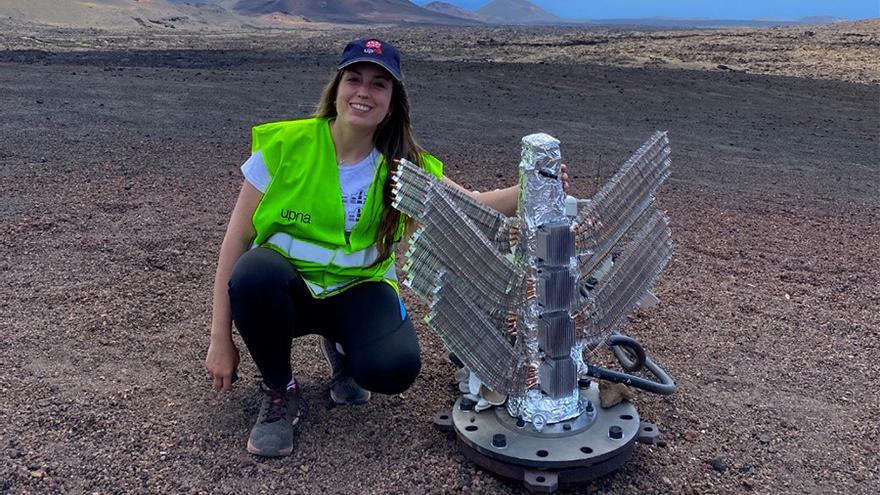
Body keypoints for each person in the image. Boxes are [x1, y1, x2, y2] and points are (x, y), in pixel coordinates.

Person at [204, 38, 568, 457]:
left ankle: (344, 352)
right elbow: (237, 239)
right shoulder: (285, 147)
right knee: (253, 273)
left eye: (379, 84)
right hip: (288, 294)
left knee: (395, 368)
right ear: (336, 89)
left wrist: (534, 187)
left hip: (358, 292)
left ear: (392, 103)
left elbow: (469, 207)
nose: (364, 92)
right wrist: (220, 337)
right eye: (354, 79)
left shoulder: (402, 166)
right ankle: (279, 389)